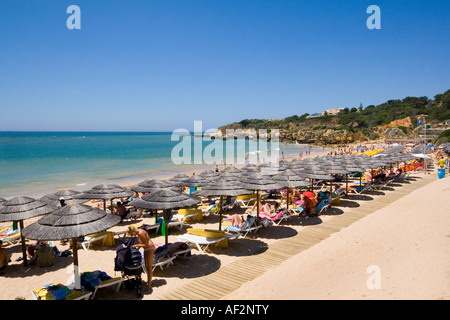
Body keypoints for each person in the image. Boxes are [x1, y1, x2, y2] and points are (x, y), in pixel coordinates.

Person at [127, 226, 156, 291]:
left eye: (132, 234)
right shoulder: (139, 231)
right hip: (147, 249)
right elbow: (142, 243)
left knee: (149, 267)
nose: (132, 235)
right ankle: (148, 281)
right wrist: (137, 249)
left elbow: (146, 244)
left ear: (133, 231)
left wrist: (136, 245)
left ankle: (149, 285)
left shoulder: (140, 233)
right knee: (146, 266)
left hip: (150, 248)